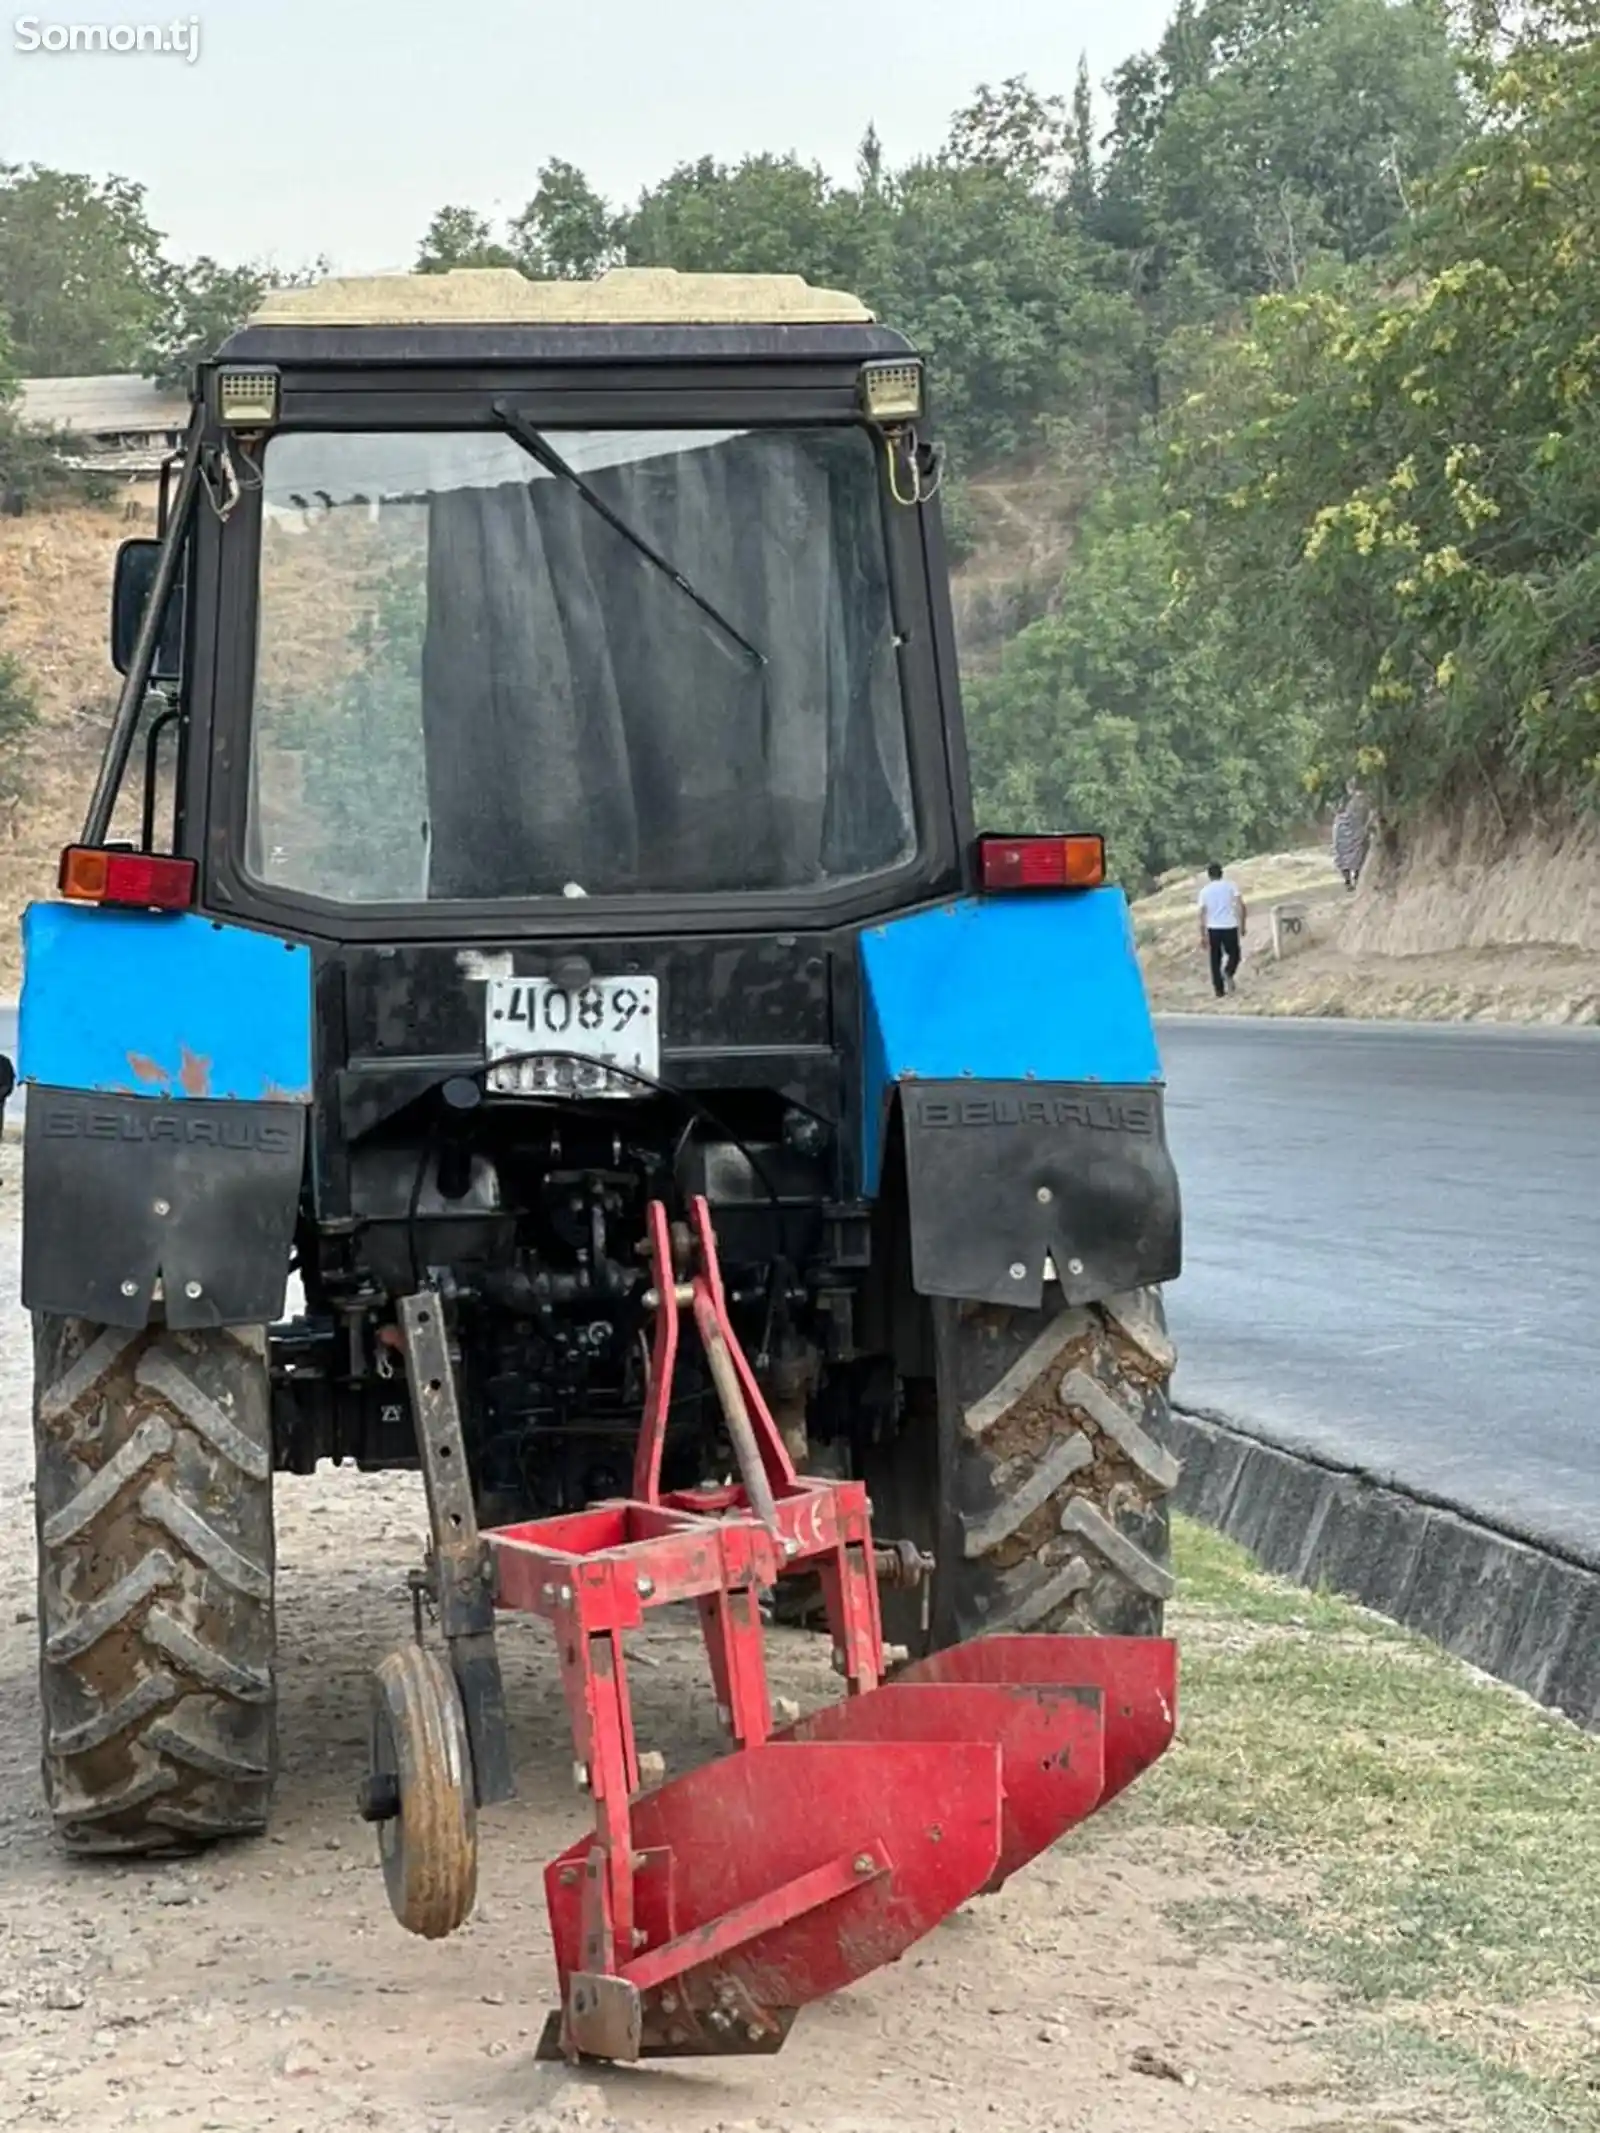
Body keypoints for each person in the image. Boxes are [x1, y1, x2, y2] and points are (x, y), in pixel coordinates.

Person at [1197, 861, 1246, 999]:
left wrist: (1202, 934)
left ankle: (1219, 990)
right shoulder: (1230, 886)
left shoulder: (1205, 891)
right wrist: (1242, 924)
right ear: (1222, 873)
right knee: (1235, 954)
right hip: (1230, 925)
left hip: (1213, 928)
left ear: (1209, 875)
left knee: (1215, 959)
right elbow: (1241, 905)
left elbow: (1201, 913)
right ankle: (1229, 971)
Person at [1332, 780, 1372, 890]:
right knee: (1354, 854)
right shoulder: (1360, 798)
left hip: (1350, 830)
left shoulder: (1358, 798)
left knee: (1349, 855)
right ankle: (1352, 879)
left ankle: (1351, 880)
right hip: (1350, 830)